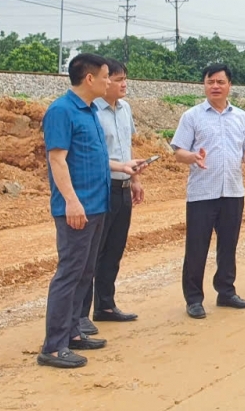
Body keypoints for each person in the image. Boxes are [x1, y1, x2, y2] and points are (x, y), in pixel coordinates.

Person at [39, 53, 142, 369]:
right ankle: (53, 347)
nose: (109, 82)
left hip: (98, 204)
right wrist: (71, 201)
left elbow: (93, 157)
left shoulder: (89, 111)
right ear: (89, 79)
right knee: (70, 272)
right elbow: (57, 159)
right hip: (78, 206)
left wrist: (122, 167)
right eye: (106, 76)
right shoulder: (62, 111)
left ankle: (72, 333)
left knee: (85, 272)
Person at [170, 63, 245, 319]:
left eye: (220, 82)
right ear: (204, 85)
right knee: (196, 248)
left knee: (228, 246)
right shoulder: (192, 116)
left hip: (232, 191)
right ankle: (194, 299)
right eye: (210, 82)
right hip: (202, 193)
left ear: (229, 85)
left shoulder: (241, 117)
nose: (215, 86)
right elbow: (178, 151)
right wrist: (192, 157)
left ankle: (226, 292)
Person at [78, 59, 145, 337]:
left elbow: (127, 146)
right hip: (101, 188)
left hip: (122, 187)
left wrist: (135, 180)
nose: (122, 84)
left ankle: (105, 305)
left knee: (114, 250)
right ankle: (80, 315)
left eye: (124, 79)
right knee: (92, 253)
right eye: (116, 79)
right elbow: (92, 157)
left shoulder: (125, 109)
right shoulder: (92, 112)